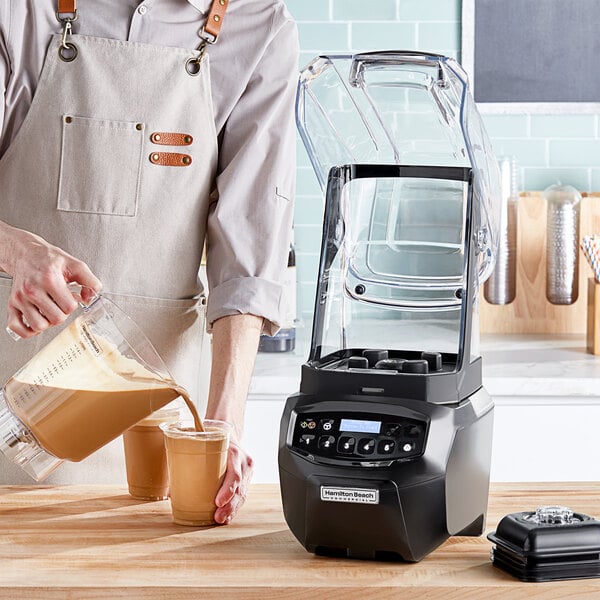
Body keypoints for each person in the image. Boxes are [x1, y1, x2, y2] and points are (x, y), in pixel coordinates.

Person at [0, 0, 298, 525]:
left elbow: (247, 258)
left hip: (160, 429)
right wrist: (16, 249)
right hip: (12, 399)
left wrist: (221, 424)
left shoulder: (261, 27)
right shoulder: (21, 12)